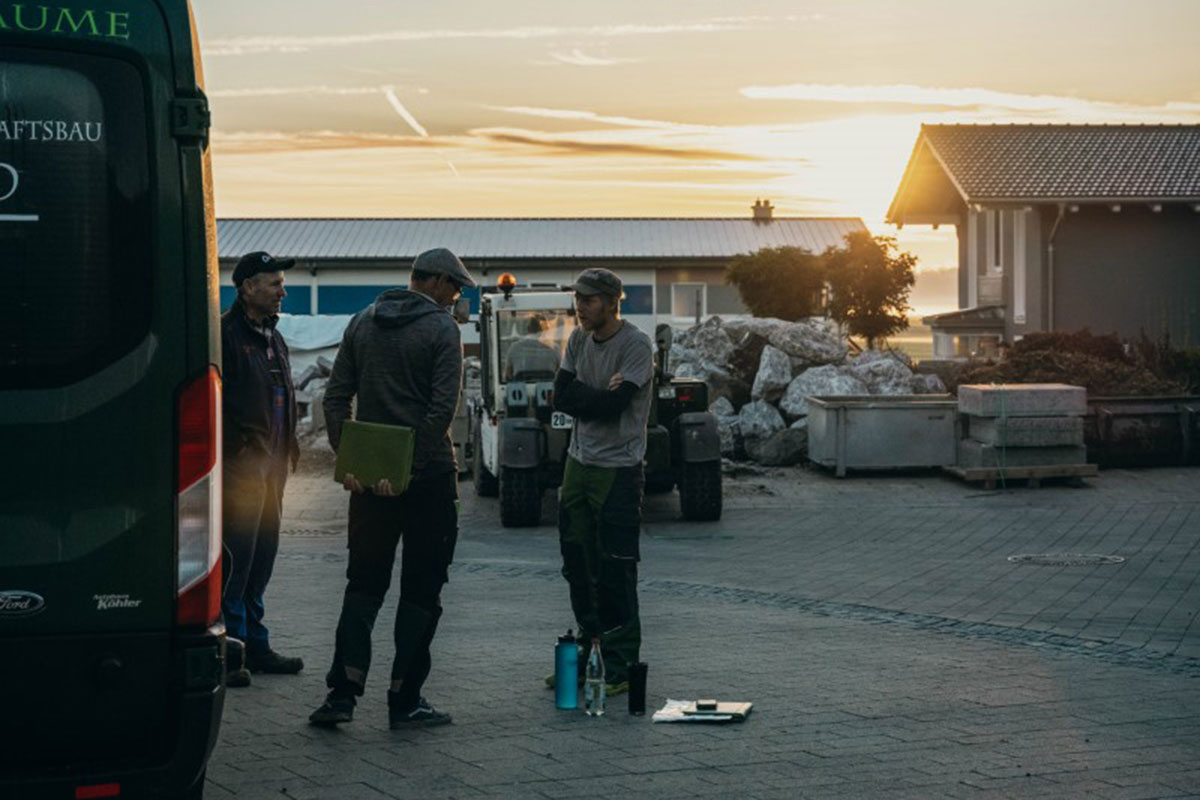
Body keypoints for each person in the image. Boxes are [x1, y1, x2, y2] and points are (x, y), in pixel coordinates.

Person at [309, 247, 475, 729]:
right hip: (428, 481)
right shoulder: (443, 329)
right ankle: (405, 700)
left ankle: (341, 695)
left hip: (369, 483)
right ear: (438, 282)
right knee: (422, 589)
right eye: (457, 287)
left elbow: (335, 397)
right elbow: (443, 408)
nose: (457, 297)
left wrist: (351, 462)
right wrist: (407, 468)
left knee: (363, 585)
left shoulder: (362, 321)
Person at [550, 268, 654, 694]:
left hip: (619, 468)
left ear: (613, 302)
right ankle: (587, 653)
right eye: (578, 299)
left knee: (615, 566)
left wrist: (587, 399)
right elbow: (562, 396)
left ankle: (620, 662)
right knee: (577, 561)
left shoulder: (635, 346)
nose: (581, 307)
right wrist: (595, 399)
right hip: (578, 462)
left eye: (589, 300)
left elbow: (615, 407)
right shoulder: (577, 339)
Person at [221, 251, 304, 688]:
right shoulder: (224, 335)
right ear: (247, 287)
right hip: (242, 470)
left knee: (263, 558)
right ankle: (229, 649)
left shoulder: (274, 338)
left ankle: (256, 643)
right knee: (237, 558)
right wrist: (237, 450)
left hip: (273, 468)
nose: (282, 291)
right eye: (274, 283)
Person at [504, 315, 560, 381]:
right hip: (549, 390)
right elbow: (561, 373)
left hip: (520, 390)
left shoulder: (514, 348)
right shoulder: (554, 349)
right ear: (546, 330)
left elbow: (508, 375)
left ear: (528, 329)